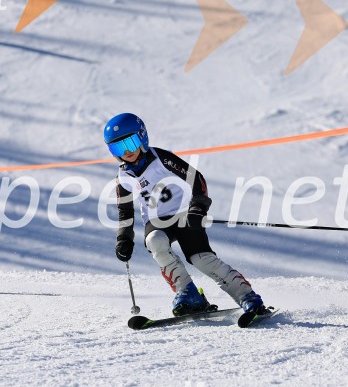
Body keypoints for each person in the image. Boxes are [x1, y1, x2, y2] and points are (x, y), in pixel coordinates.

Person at [104, 113, 268, 317]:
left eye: (130, 142)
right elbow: (125, 212)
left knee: (200, 259)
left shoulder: (161, 158)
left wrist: (198, 208)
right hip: (156, 222)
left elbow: (196, 179)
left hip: (184, 215)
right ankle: (187, 292)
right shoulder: (123, 177)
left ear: (142, 137)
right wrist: (123, 239)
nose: (126, 151)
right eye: (118, 147)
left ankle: (247, 296)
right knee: (154, 240)